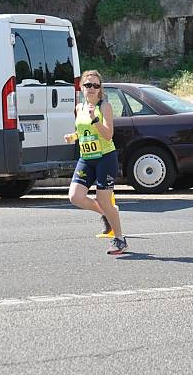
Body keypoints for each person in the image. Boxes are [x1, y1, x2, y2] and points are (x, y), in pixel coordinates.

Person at [64, 70, 127, 255]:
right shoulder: (78, 108)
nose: (91, 88)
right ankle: (107, 212)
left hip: (105, 158)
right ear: (81, 87)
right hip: (86, 158)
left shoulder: (104, 107)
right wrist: (73, 136)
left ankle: (120, 239)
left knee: (103, 199)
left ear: (100, 89)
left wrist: (94, 119)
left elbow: (108, 135)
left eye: (95, 85)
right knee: (75, 197)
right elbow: (83, 132)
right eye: (88, 85)